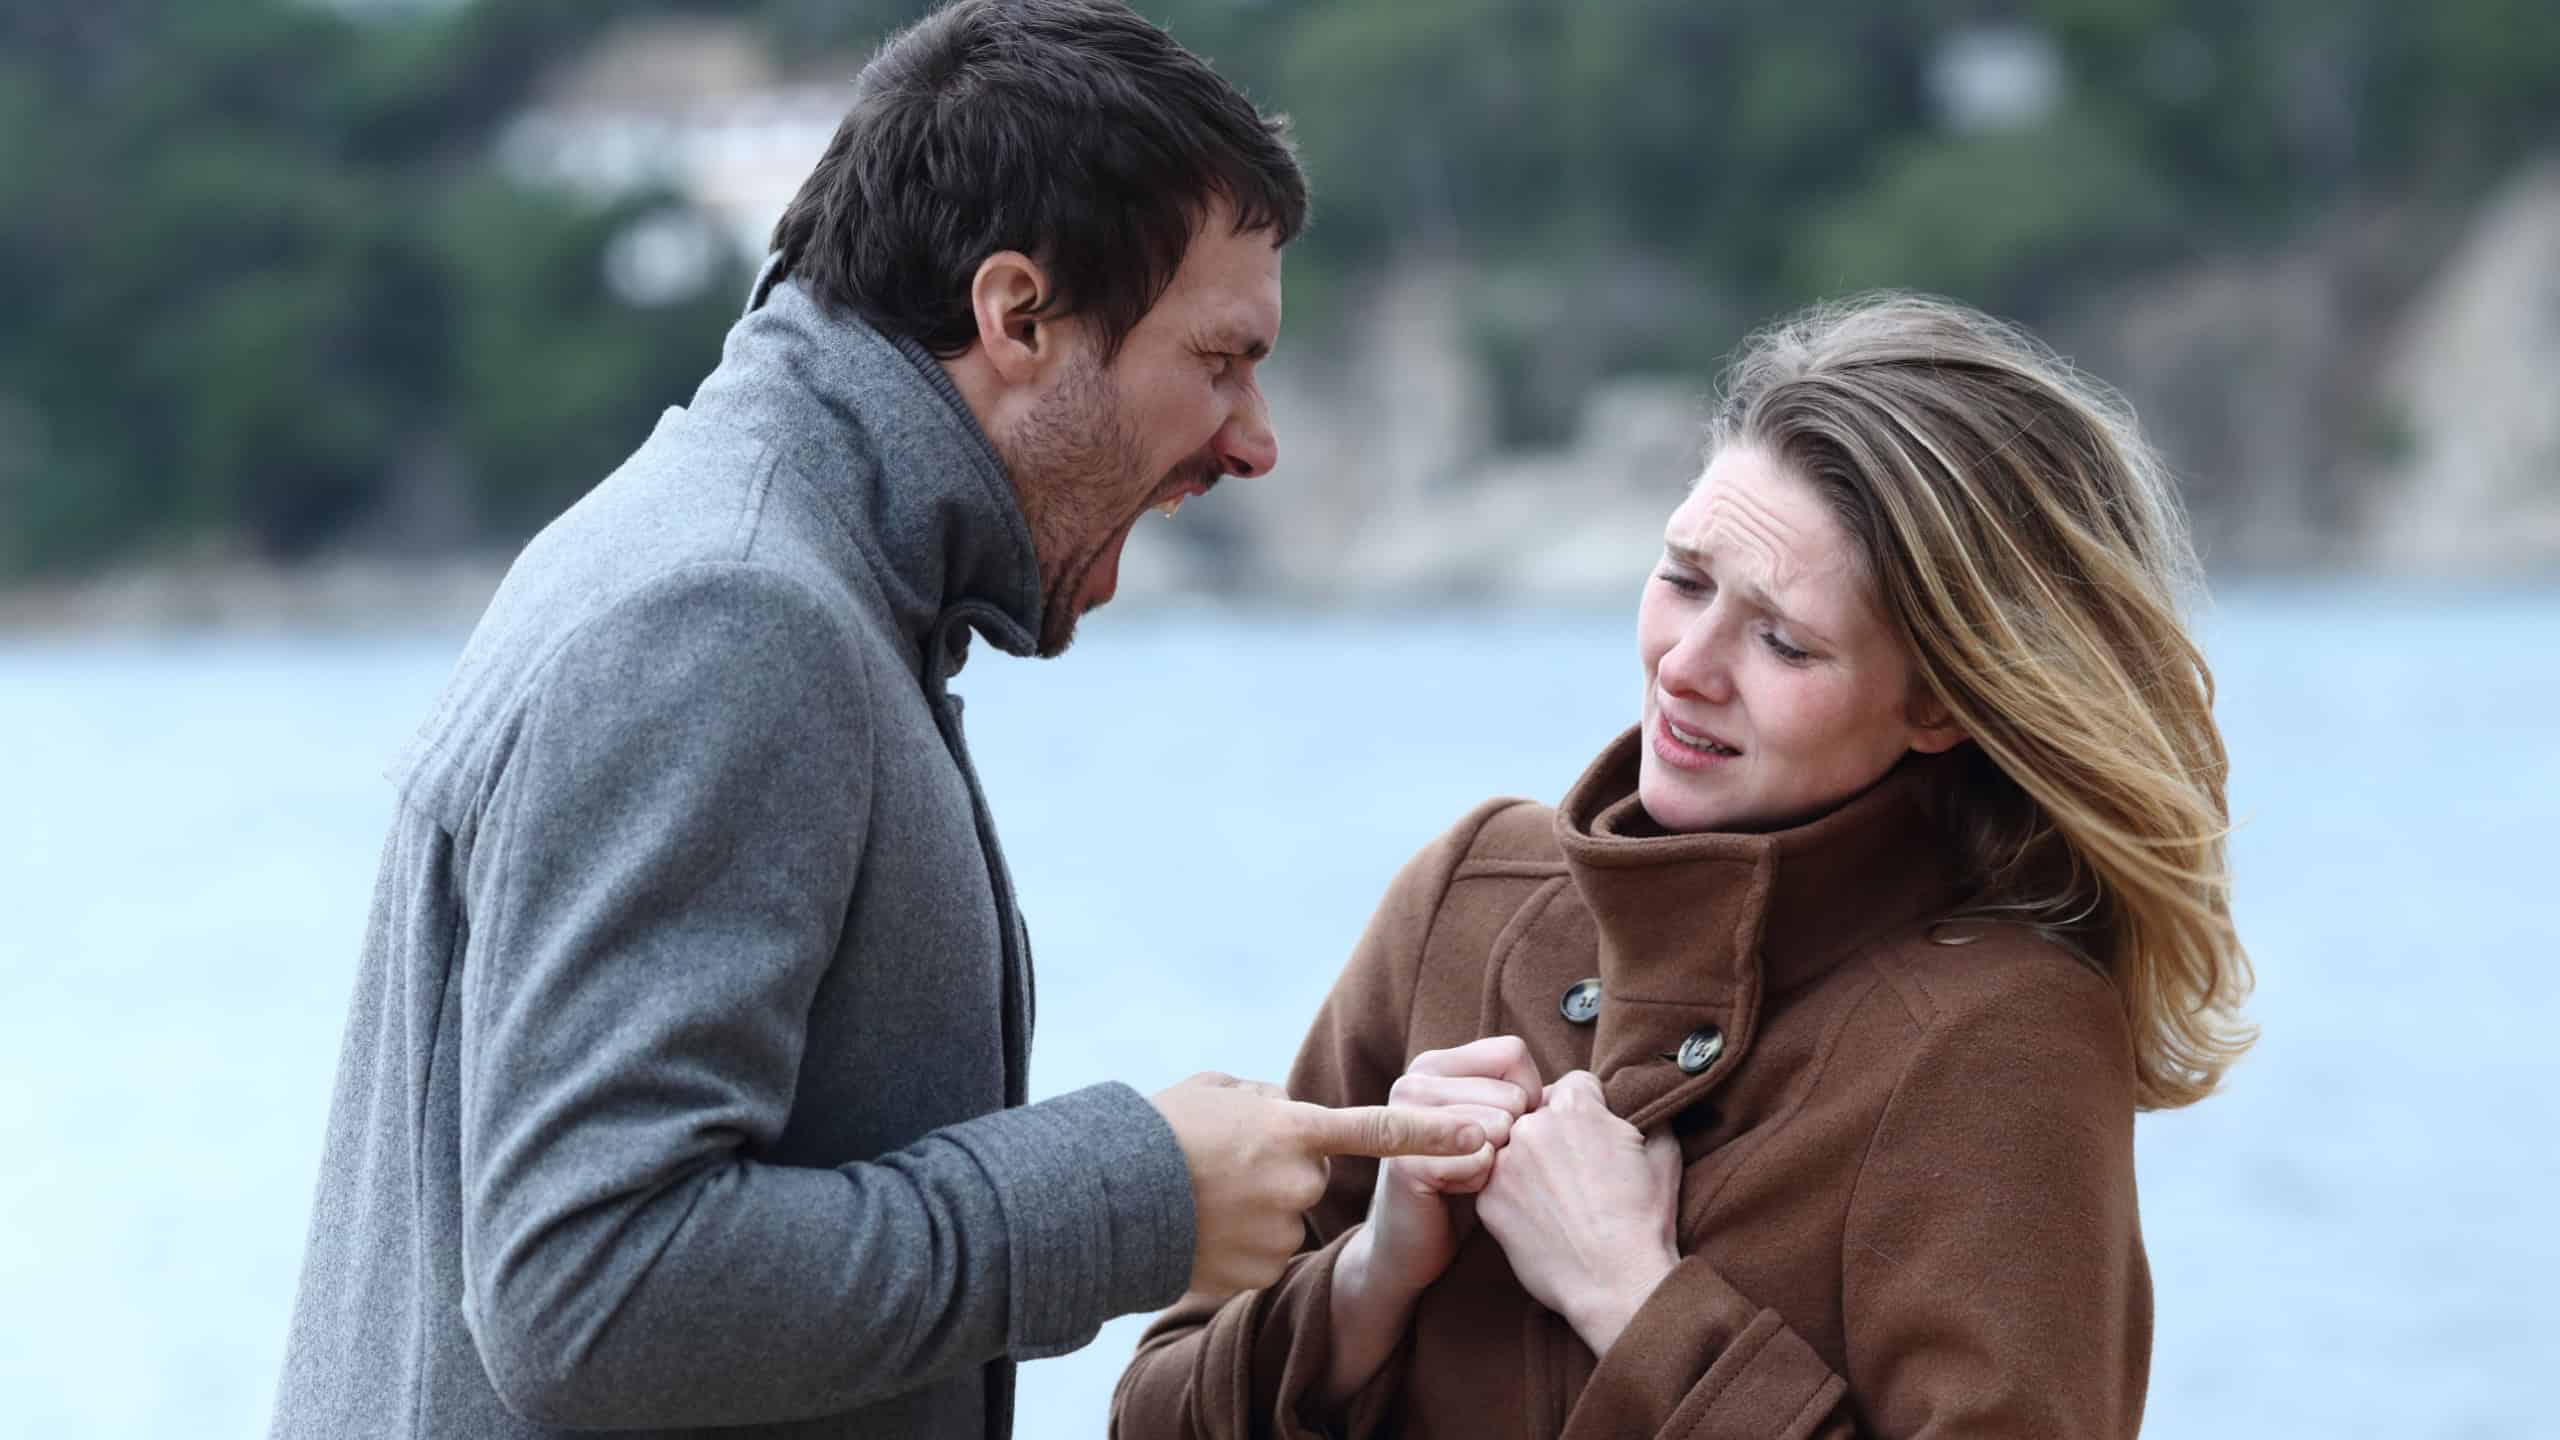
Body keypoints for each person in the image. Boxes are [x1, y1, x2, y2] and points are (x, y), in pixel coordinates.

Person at [267, 4, 1485, 1438]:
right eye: (1219, 359)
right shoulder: (734, 613)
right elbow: (587, 1294)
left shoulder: (762, 563)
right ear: (1017, 316)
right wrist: (1140, 1197)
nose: (1254, 439)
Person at [1111, 295, 2257, 1439]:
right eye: (1684, 579)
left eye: (1784, 641)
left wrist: (1630, 1296)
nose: (1686, 666)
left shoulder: (2002, 1031)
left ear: (1941, 702)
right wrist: (1369, 1278)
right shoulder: (1469, 898)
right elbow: (1148, 1418)